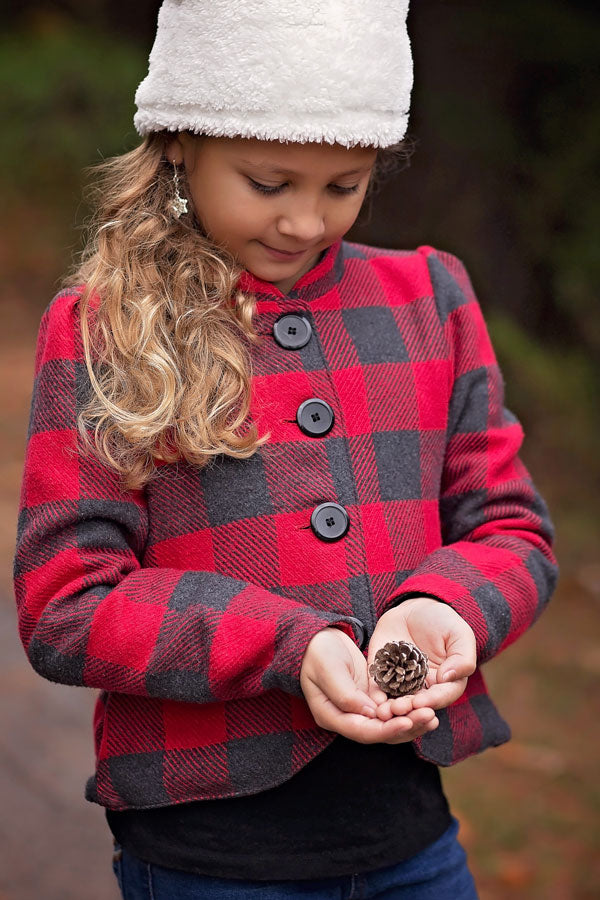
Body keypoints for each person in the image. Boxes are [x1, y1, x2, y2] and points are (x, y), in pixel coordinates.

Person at [13, 1, 558, 897]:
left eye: (343, 186)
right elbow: (66, 600)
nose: (306, 221)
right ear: (183, 142)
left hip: (412, 843)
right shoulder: (104, 327)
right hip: (209, 857)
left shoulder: (429, 297)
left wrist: (452, 607)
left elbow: (512, 527)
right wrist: (287, 646)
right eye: (269, 184)